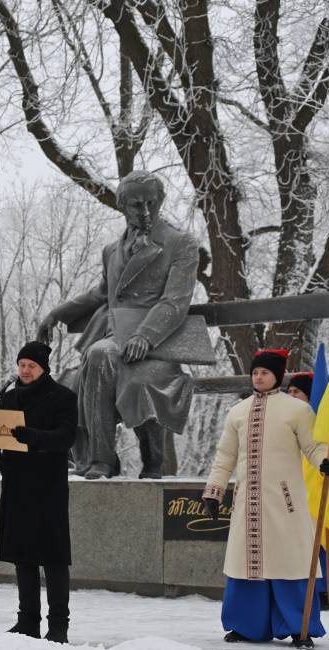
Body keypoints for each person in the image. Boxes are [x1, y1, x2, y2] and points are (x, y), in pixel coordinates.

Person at [36, 170, 199, 479]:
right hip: (115, 338)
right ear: (123, 206)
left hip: (157, 345)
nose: (146, 211)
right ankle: (97, 459)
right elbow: (100, 293)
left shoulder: (180, 243)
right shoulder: (112, 250)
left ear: (161, 201)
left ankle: (104, 460)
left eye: (152, 202)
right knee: (81, 371)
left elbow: (175, 301)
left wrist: (145, 336)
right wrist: (58, 314)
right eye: (137, 205)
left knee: (100, 356)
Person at [202, 351, 329, 648]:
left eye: (265, 372)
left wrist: (326, 463)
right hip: (247, 502)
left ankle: (299, 627)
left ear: (278, 375)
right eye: (255, 372)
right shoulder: (237, 411)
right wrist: (214, 491)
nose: (258, 377)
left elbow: (314, 447)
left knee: (289, 561)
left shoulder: (297, 410)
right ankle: (244, 625)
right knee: (245, 563)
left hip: (285, 502)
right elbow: (225, 456)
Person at [0, 341, 77, 643]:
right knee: (22, 556)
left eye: (31, 366)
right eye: (21, 364)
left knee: (53, 558)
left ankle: (58, 626)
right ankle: (27, 622)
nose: (25, 370)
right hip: (16, 486)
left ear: (43, 368)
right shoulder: (8, 398)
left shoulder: (63, 397)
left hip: (47, 488)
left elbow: (65, 437)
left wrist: (33, 437)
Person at [286, 371, 329, 610]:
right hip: (290, 489)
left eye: (296, 392)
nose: (291, 396)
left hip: (315, 488)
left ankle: (322, 588)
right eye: (288, 392)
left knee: (317, 536)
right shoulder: (287, 420)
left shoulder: (322, 426)